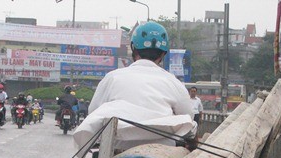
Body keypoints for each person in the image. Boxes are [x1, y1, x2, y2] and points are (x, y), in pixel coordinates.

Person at [74, 21, 195, 150]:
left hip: (115, 153)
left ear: (133, 48)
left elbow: (93, 111)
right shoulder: (173, 82)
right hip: (162, 155)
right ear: (163, 53)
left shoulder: (113, 77)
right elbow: (188, 117)